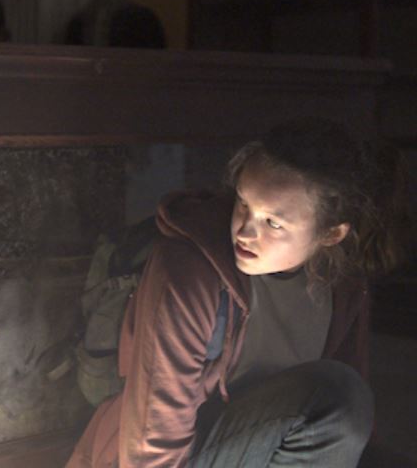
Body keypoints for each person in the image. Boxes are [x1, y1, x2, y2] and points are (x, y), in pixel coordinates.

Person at [66, 118, 408, 468]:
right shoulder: (190, 272)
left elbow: (352, 429)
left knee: (349, 404)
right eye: (244, 203)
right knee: (335, 395)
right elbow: (153, 437)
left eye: (273, 223)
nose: (244, 231)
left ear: (331, 235)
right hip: (178, 456)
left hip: (271, 446)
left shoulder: (342, 284)